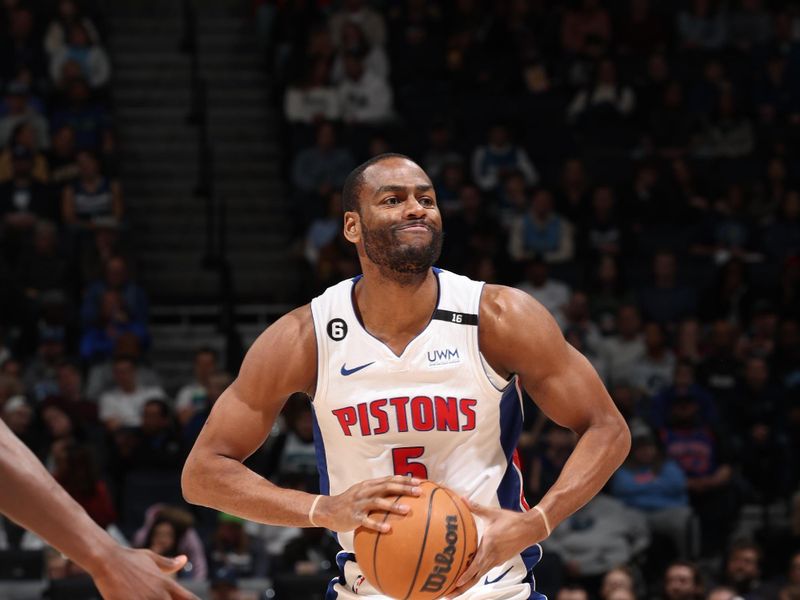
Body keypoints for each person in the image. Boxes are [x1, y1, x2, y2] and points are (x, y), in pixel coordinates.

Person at [182, 154, 630, 599]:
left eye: (427, 199)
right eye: (393, 199)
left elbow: (607, 428)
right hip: (370, 586)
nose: (416, 208)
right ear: (352, 226)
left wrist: (539, 521)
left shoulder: (498, 317)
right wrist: (321, 509)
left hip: (492, 587)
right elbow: (203, 474)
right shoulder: (305, 337)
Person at [0, 418, 197, 599]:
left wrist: (107, 557)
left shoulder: (97, 489)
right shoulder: (63, 482)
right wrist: (109, 559)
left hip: (82, 536)